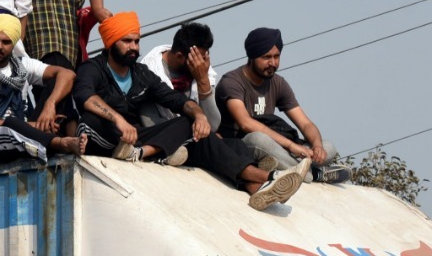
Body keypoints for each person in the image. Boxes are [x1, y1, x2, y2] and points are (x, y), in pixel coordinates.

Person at [74, 13, 308, 211]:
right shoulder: (92, 69)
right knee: (91, 119)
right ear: (111, 42)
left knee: (212, 135)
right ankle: (268, 177)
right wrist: (117, 119)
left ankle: (256, 188)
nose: (134, 48)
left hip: (134, 142)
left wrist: (198, 115)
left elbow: (175, 100)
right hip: (103, 136)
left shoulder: (141, 73)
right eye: (127, 41)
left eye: (136, 41)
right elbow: (85, 96)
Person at [0, 14, 87, 169]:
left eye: (6, 42)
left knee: (59, 79)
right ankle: (62, 143)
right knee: (11, 124)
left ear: (13, 44)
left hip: (28, 133)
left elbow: (67, 75)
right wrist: (35, 126)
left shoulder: (22, 66)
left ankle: (68, 134)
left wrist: (50, 104)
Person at [217, 27, 351, 184]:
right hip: (243, 146)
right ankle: (314, 174)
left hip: (276, 147)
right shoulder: (231, 82)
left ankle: (291, 166)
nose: (273, 63)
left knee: (329, 147)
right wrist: (291, 146)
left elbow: (305, 123)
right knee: (259, 139)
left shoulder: (278, 83)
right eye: (267, 57)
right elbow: (245, 123)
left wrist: (317, 146)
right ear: (252, 56)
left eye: (276, 56)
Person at [141, 22, 224, 132]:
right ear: (180, 57)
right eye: (197, 59)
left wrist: (203, 81)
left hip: (200, 139)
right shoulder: (148, 72)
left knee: (236, 145)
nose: (202, 64)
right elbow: (152, 125)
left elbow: (212, 125)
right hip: (169, 139)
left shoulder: (203, 71)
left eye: (204, 58)